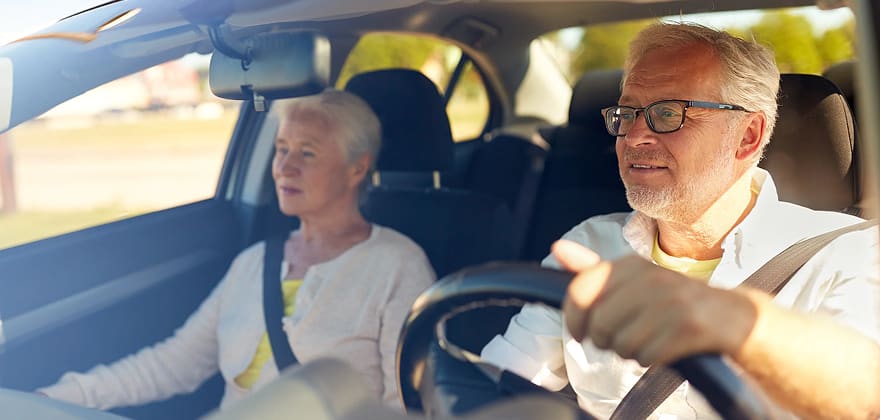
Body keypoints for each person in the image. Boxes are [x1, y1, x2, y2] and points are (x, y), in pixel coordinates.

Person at [480, 22, 880, 419]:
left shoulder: (849, 253)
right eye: (627, 113)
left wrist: (730, 321)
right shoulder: (589, 245)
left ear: (748, 136)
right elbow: (497, 388)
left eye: (668, 113)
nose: (634, 137)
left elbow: (864, 396)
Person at [37, 90, 436, 411]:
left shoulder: (397, 265)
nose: (284, 167)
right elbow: (173, 364)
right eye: (282, 149)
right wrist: (54, 399)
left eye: (307, 153)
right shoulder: (255, 262)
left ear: (356, 168)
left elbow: (402, 406)